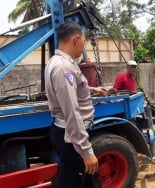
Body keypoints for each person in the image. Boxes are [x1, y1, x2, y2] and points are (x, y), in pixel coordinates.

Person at [44, 22, 107, 188]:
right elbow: (71, 111)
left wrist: (93, 90)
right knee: (77, 178)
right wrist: (87, 152)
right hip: (71, 137)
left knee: (83, 179)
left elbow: (73, 90)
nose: (83, 46)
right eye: (84, 41)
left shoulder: (58, 61)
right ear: (76, 39)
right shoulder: (65, 67)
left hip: (68, 134)